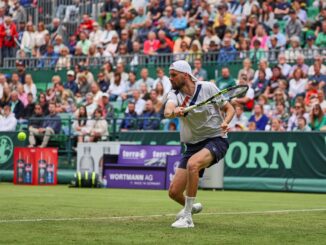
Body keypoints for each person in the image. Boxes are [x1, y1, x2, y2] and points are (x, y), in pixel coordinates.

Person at [164, 60, 235, 228]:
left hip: (216, 139)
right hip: (193, 145)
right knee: (174, 192)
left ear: (185, 75)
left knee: (193, 164)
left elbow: (229, 108)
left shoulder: (208, 88)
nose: (170, 79)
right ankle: (192, 206)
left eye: (173, 75)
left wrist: (225, 122)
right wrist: (175, 111)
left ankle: (187, 218)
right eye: (170, 75)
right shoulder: (174, 94)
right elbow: (168, 110)